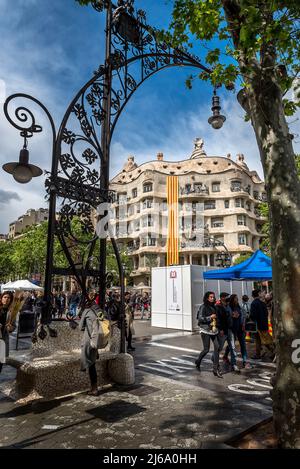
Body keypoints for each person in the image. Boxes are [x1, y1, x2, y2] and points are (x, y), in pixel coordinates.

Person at [79, 290, 104, 396]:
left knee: (90, 364)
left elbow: (80, 327)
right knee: (92, 362)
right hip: (96, 340)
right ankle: (94, 386)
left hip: (88, 340)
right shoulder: (99, 310)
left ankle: (94, 388)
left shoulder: (87, 311)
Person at [195, 291, 222, 378]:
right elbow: (200, 318)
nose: (212, 298)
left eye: (213, 297)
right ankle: (198, 361)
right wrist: (210, 317)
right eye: (210, 297)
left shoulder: (214, 306)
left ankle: (215, 368)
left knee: (217, 347)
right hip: (205, 330)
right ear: (207, 298)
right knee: (206, 349)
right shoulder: (203, 306)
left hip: (214, 330)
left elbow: (217, 317)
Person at [223, 294, 252, 370]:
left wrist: (243, 324)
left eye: (237, 299)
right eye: (235, 299)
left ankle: (245, 361)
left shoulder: (239, 307)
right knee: (232, 347)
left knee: (243, 345)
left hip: (240, 329)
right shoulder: (228, 308)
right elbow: (224, 317)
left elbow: (244, 315)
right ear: (232, 300)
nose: (237, 300)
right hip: (231, 329)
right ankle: (234, 364)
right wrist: (231, 315)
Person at [250, 289, 275, 359]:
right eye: (261, 293)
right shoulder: (263, 303)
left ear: (253, 296)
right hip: (264, 324)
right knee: (260, 339)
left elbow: (253, 315)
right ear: (258, 294)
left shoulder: (254, 303)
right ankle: (258, 354)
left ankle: (274, 352)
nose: (262, 294)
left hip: (257, 325)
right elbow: (267, 313)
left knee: (264, 340)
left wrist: (250, 317)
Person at [0, 292, 16, 374]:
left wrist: (10, 328)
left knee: (0, 364)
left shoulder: (11, 312)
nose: (6, 299)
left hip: (3, 341)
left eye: (9, 298)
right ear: (1, 298)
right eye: (5, 297)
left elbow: (14, 326)